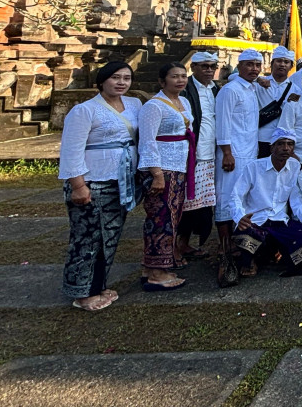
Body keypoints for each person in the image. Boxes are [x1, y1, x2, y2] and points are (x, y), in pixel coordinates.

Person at [58, 61, 141, 311]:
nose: (121, 83)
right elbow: (71, 150)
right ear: (102, 81)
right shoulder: (85, 110)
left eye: (126, 78)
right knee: (87, 239)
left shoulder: (135, 105)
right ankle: (83, 293)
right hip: (92, 181)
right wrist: (78, 185)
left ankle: (99, 285)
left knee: (110, 237)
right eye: (115, 77)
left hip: (121, 181)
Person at [230, 128, 302, 277]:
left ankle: (273, 256)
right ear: (272, 147)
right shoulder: (254, 167)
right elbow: (235, 196)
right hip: (256, 221)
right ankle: (251, 261)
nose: (286, 148)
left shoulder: (294, 166)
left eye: (290, 144)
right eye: (281, 144)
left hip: (279, 221)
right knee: (247, 234)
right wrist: (239, 218)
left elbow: (296, 199)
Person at [137, 62, 193, 291]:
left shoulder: (184, 101)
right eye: (174, 77)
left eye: (183, 76)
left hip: (180, 165)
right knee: (160, 219)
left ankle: (152, 266)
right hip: (162, 167)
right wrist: (157, 174)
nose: (180, 80)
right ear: (162, 81)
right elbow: (147, 140)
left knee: (172, 218)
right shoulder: (153, 106)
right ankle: (157, 272)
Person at [214, 48, 263, 281]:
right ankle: (224, 248)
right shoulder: (230, 90)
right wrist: (226, 152)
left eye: (257, 65)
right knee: (226, 198)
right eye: (249, 64)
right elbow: (222, 122)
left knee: (243, 198)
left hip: (249, 153)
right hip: (232, 154)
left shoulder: (252, 88)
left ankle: (239, 243)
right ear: (239, 66)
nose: (254, 69)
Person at [177, 52, 220, 261]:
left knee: (204, 203)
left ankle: (190, 243)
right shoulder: (185, 90)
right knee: (187, 202)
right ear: (193, 68)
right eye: (204, 66)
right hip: (191, 153)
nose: (209, 70)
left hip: (211, 153)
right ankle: (179, 244)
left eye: (213, 66)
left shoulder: (216, 89)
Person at [255, 46, 295, 157]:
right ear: (272, 64)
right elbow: (233, 77)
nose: (282, 64)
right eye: (279, 61)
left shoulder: (296, 89)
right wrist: (257, 79)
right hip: (261, 136)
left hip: (283, 140)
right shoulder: (260, 83)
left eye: (286, 62)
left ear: (291, 66)